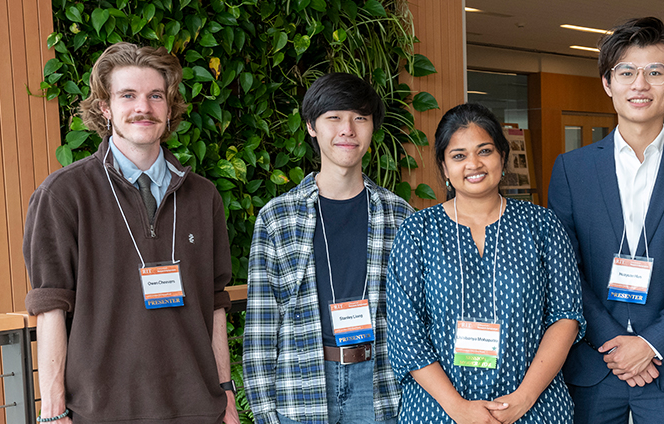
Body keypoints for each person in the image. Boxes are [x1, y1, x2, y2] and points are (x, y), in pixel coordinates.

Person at [23, 42, 238, 423]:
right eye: (128, 95)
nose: (144, 107)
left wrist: (226, 395)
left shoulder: (203, 196)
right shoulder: (63, 194)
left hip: (196, 409)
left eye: (156, 95)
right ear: (105, 107)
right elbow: (50, 306)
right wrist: (54, 412)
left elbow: (216, 303)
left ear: (169, 107)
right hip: (102, 412)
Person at [548, 17, 664, 423]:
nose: (640, 84)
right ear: (608, 83)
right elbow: (564, 269)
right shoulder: (572, 169)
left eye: (655, 72)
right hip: (594, 364)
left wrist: (650, 343)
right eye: (626, 72)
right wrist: (614, 342)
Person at [387, 103, 585, 424]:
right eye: (459, 155)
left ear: (503, 157)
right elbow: (406, 334)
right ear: (444, 165)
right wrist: (459, 408)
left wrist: (523, 399)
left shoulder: (542, 226)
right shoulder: (418, 231)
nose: (474, 164)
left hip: (534, 408)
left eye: (485, 150)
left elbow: (565, 316)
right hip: (438, 411)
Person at [242, 72, 413, 424]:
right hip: (301, 381)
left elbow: (416, 316)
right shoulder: (278, 217)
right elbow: (262, 323)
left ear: (372, 127)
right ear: (311, 126)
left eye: (360, 118)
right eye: (333, 117)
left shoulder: (400, 215)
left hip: (381, 383)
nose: (347, 129)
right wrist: (264, 412)